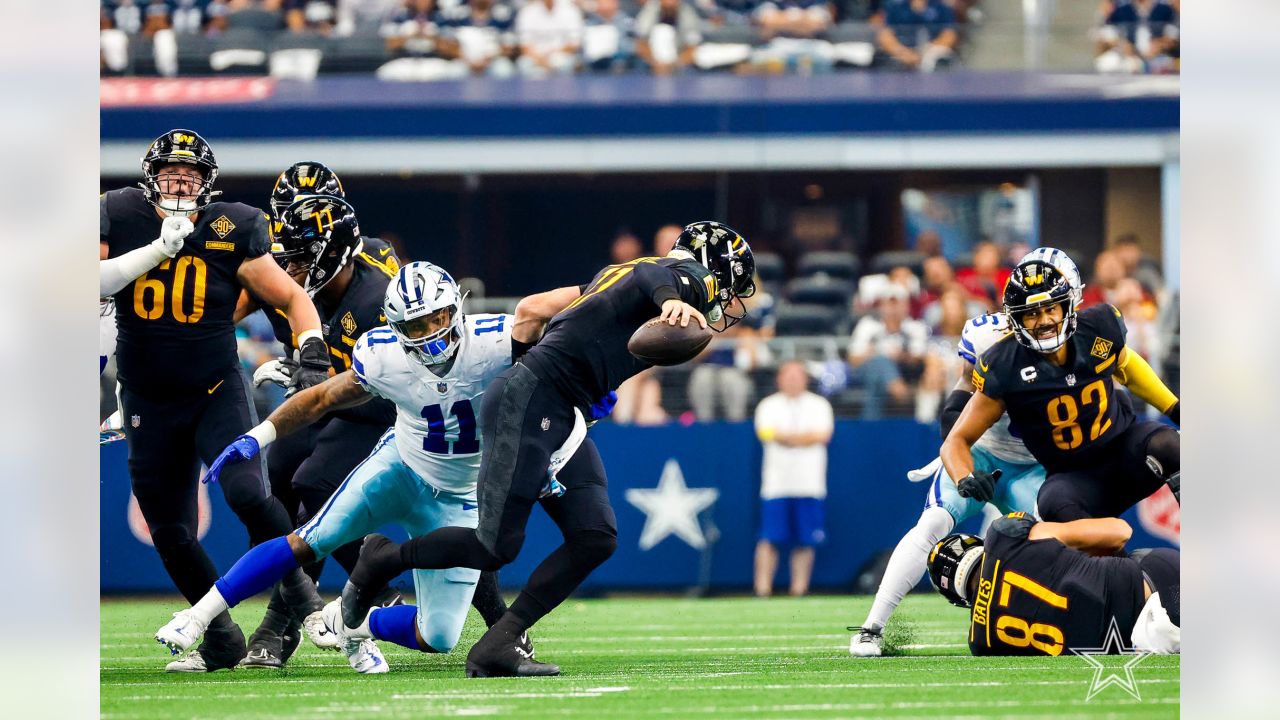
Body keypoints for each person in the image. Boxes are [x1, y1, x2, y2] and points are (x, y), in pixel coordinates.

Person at [342, 220, 756, 677]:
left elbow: (534, 307)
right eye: (733, 284)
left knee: (595, 537)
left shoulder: (617, 274)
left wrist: (572, 370)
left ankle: (497, 645)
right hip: (537, 401)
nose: (730, 299)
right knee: (494, 547)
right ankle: (385, 559)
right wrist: (672, 298)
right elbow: (651, 277)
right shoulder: (676, 276)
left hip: (554, 409)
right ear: (716, 267)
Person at [156, 261, 548, 673]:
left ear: (456, 308)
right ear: (396, 329)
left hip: (460, 496)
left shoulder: (498, 341)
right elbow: (323, 398)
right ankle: (196, 616)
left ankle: (349, 622)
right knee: (309, 539)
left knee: (439, 637)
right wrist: (260, 435)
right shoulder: (383, 357)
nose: (432, 333)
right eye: (416, 326)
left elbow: (558, 344)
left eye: (439, 317)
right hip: (399, 468)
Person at [102, 129, 332, 672]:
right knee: (171, 531)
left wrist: (313, 346)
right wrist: (158, 247)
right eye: (170, 173)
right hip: (147, 398)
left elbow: (292, 295)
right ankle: (221, 637)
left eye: (191, 175)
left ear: (208, 183)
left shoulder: (235, 224)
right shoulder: (116, 212)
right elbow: (90, 281)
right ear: (150, 176)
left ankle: (303, 599)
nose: (180, 183)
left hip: (213, 390)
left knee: (250, 493)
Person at [230, 189, 404, 669]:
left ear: (334, 249)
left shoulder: (375, 295)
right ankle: (292, 618)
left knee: (316, 484)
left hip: (385, 408)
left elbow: (377, 377)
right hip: (333, 402)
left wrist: (308, 376)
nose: (293, 268)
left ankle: (359, 594)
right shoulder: (309, 285)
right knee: (280, 481)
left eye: (303, 256)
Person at [942, 252, 1181, 525]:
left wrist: (1173, 407)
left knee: (1171, 444)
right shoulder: (1003, 365)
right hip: (1074, 477)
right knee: (1053, 505)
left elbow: (1127, 366)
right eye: (1031, 313)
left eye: (1050, 309)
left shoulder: (1097, 327)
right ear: (1015, 319)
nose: (1044, 321)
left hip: (1124, 449)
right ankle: (1112, 566)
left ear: (1067, 306)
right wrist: (964, 476)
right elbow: (956, 440)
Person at [927, 514, 1180, 656]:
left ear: (957, 598)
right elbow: (1119, 532)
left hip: (1132, 647)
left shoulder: (980, 642)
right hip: (1161, 587)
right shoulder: (1004, 536)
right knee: (1137, 556)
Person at [753, 361, 833, 598]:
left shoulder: (819, 405)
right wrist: (803, 438)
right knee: (769, 537)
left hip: (809, 484)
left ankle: (799, 588)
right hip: (776, 485)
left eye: (797, 376)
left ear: (805, 379)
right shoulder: (768, 405)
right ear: (779, 379)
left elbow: (823, 435)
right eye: (788, 376)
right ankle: (762, 589)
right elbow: (765, 433)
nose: (792, 381)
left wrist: (786, 437)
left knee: (806, 540)